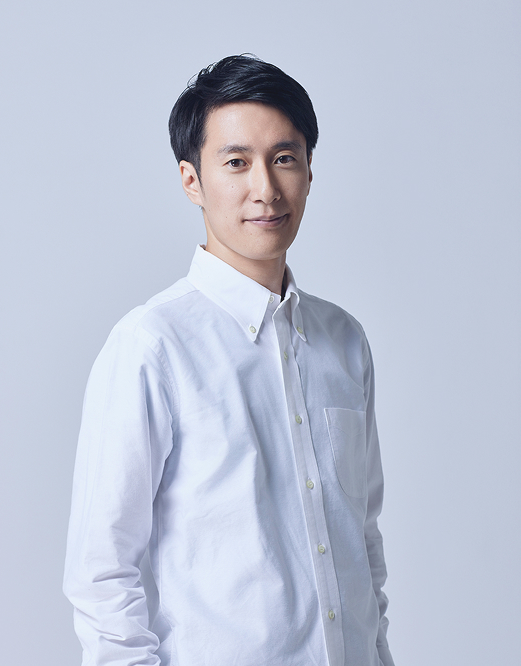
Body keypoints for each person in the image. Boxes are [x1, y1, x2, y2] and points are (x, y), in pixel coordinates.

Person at [64, 54, 395, 666]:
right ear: (192, 180)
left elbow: (362, 541)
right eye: (236, 162)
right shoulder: (152, 345)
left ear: (309, 171)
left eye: (284, 158)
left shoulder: (344, 340)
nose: (265, 189)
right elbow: (103, 573)